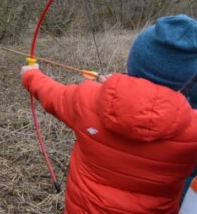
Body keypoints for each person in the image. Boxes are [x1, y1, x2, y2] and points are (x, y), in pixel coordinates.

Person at [21, 14, 197, 214]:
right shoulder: (193, 130)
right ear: (188, 78)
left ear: (133, 60)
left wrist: (30, 74)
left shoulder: (86, 98)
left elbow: (50, 93)